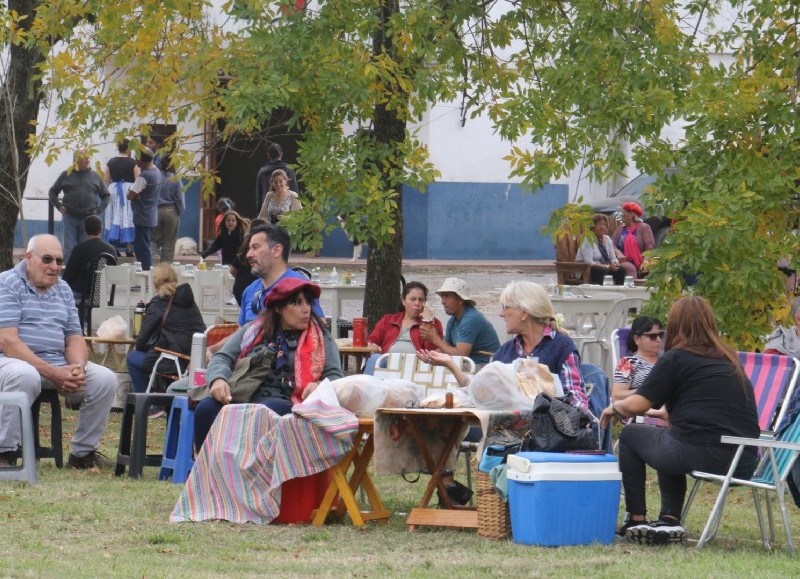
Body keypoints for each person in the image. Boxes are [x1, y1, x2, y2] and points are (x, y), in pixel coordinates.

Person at [600, 296, 760, 545]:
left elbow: (640, 403)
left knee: (632, 436)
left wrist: (614, 407)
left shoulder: (675, 358)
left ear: (675, 325)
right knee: (669, 436)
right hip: (743, 459)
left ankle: (637, 518)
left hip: (701, 452)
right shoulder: (729, 358)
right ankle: (669, 521)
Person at [0, 234, 117, 469]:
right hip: (11, 362)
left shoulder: (63, 289)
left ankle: (82, 454)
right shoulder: (7, 283)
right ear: (29, 258)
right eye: (47, 259)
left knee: (105, 379)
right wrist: (53, 372)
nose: (55, 267)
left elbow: (74, 337)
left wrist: (77, 368)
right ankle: (5, 452)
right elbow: (8, 342)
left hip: (56, 364)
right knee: (25, 375)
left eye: (59, 261)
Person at [192, 277, 342, 449]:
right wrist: (218, 379)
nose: (306, 309)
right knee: (207, 408)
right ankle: (209, 470)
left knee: (266, 412)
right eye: (297, 303)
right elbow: (222, 357)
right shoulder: (254, 330)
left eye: (308, 302)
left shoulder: (322, 337)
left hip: (290, 403)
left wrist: (319, 386)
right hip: (243, 397)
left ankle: (254, 473)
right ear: (278, 308)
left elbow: (335, 377)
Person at [422, 280, 587, 410]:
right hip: (507, 439)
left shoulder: (561, 347)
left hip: (548, 443)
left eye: (506, 307)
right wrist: (451, 364)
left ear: (524, 312)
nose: (501, 314)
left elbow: (578, 404)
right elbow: (478, 392)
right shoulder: (505, 352)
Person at [125, 264, 206, 395]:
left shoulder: (160, 302)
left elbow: (141, 340)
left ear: (155, 283)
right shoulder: (188, 300)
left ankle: (150, 404)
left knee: (133, 358)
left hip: (176, 360)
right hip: (197, 359)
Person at [419, 277, 500, 366]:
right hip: (470, 365)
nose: (442, 301)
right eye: (442, 296)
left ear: (460, 300)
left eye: (447, 296)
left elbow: (461, 356)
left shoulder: (471, 319)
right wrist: (428, 357)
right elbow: (444, 348)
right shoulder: (453, 320)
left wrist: (435, 339)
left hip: (485, 366)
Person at [48, 148, 111, 263]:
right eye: (85, 158)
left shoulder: (95, 176)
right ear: (76, 160)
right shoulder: (66, 174)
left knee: (86, 251)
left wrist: (98, 210)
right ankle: (68, 278)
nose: (88, 160)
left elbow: (106, 195)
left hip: (89, 220)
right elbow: (52, 192)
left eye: (88, 158)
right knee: (69, 251)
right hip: (70, 218)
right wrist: (59, 206)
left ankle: (84, 277)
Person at [61, 216, 117, 330]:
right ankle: (85, 318)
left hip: (82, 292)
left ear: (85, 231)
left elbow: (68, 276)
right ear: (101, 229)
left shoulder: (80, 249)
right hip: (102, 293)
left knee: (63, 288)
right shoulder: (111, 249)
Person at [612, 316, 667, 423]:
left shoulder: (667, 358)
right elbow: (617, 396)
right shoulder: (627, 363)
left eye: (660, 335)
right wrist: (650, 390)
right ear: (637, 339)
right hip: (644, 415)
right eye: (652, 336)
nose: (658, 340)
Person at [368, 281, 444, 354]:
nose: (417, 303)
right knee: (373, 358)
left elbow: (432, 352)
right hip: (385, 361)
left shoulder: (433, 323)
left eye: (421, 300)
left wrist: (428, 322)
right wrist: (371, 345)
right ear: (403, 301)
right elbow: (372, 340)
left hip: (416, 364)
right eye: (412, 299)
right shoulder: (388, 320)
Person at [127, 147, 163, 271]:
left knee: (141, 248)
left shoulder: (144, 176)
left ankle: (145, 273)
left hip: (142, 215)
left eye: (136, 157)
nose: (135, 160)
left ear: (141, 159)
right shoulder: (157, 171)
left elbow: (130, 195)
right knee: (144, 245)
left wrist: (132, 192)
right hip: (151, 214)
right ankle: (146, 272)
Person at [103, 138, 138, 257]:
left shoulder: (110, 162)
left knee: (113, 217)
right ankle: (129, 248)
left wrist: (105, 194)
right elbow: (138, 179)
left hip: (113, 190)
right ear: (128, 148)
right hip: (128, 190)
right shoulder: (133, 163)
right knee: (127, 217)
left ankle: (114, 248)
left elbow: (106, 180)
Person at [151, 155, 185, 264]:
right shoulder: (175, 179)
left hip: (155, 211)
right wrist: (179, 211)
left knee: (152, 240)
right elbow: (179, 198)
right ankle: (165, 271)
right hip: (171, 211)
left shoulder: (155, 177)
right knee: (169, 243)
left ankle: (148, 267)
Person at [576, 213, 625, 285]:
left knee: (621, 270)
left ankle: (618, 291)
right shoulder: (588, 239)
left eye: (604, 224)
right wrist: (607, 266)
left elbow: (612, 258)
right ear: (592, 227)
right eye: (598, 224)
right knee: (602, 271)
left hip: (605, 267)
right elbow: (588, 262)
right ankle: (601, 293)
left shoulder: (607, 239)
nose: (602, 227)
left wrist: (615, 263)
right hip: (586, 270)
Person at [612, 201, 655, 279]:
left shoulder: (644, 228)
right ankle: (631, 288)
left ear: (631, 215)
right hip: (623, 261)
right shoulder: (620, 229)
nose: (621, 214)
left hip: (641, 260)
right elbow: (612, 244)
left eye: (623, 212)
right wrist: (618, 252)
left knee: (652, 268)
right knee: (629, 268)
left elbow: (649, 248)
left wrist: (646, 262)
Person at [255, 143, 299, 211]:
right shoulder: (289, 170)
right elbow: (294, 190)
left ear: (268, 155)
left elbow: (259, 196)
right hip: (287, 211)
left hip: (267, 209)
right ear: (281, 154)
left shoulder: (262, 172)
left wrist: (259, 211)